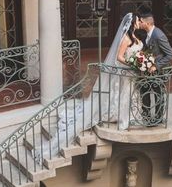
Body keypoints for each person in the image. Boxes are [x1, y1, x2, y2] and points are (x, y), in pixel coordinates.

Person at [36, 13, 141, 162]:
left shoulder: (135, 37)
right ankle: (119, 116)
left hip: (130, 74)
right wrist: (133, 64)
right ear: (131, 23)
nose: (139, 23)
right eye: (137, 21)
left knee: (128, 94)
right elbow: (119, 57)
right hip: (125, 71)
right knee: (121, 94)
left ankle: (129, 115)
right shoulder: (126, 38)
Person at [138, 9, 172, 125]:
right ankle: (147, 118)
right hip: (147, 71)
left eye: (141, 21)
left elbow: (170, 54)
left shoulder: (159, 35)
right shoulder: (147, 34)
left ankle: (158, 119)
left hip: (158, 72)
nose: (139, 23)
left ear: (147, 23)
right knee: (144, 91)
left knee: (158, 94)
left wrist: (156, 66)